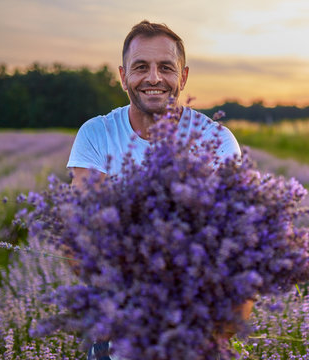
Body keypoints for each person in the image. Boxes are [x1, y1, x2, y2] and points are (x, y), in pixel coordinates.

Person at [66, 20, 251, 360]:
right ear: (123, 76)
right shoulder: (97, 134)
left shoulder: (217, 141)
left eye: (166, 68)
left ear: (183, 77)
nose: (153, 78)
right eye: (141, 68)